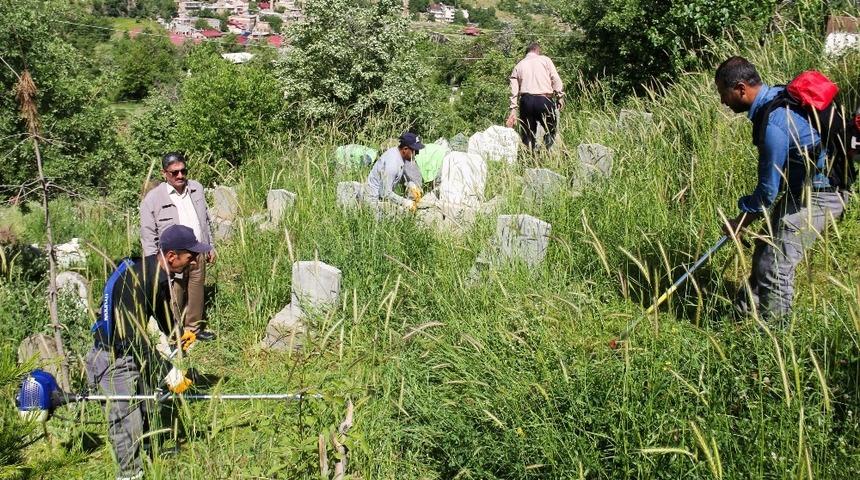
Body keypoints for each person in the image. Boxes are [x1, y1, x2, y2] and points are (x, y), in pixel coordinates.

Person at [714, 56, 852, 321]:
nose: (722, 101)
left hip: (823, 196)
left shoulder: (774, 124)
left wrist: (739, 221)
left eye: (724, 93)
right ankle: (743, 316)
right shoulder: (777, 95)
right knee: (766, 246)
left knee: (775, 266)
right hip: (803, 191)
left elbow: (767, 191)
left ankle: (774, 338)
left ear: (741, 88)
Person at [85, 225, 211, 480]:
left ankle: (147, 456)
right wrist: (169, 372)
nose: (195, 260)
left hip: (130, 350)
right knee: (126, 421)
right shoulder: (135, 280)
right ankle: (130, 474)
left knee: (146, 408)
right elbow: (131, 338)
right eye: (191, 255)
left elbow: (160, 309)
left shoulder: (155, 273)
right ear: (173, 256)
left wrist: (178, 337)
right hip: (112, 357)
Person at [140, 152, 216, 341]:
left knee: (196, 292)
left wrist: (210, 246)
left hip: (196, 251)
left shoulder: (196, 188)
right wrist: (153, 267)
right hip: (172, 257)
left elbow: (205, 220)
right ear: (164, 173)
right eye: (175, 173)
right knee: (173, 295)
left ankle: (194, 330)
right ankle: (174, 335)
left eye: (183, 171)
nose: (180, 176)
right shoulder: (153, 199)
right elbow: (148, 235)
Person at [505, 42, 564, 150]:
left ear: (526, 53)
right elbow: (555, 78)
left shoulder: (519, 65)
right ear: (537, 50)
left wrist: (513, 110)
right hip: (544, 100)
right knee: (551, 130)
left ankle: (530, 158)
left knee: (528, 134)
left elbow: (513, 91)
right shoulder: (545, 60)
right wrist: (560, 96)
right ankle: (549, 154)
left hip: (526, 101)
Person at [364, 132, 425, 211]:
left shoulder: (398, 154)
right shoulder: (392, 164)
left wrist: (411, 185)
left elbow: (400, 176)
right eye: (415, 151)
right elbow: (385, 193)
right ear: (405, 149)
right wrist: (405, 202)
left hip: (381, 197)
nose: (417, 153)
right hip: (373, 201)